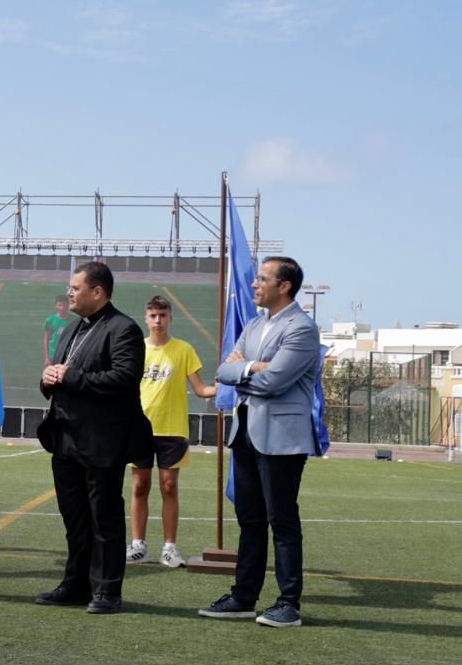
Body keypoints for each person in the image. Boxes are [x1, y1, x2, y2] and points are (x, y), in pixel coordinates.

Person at [200, 256, 322, 628]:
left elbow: (276, 383)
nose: (255, 284)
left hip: (282, 438)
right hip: (246, 432)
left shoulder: (302, 329)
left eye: (262, 279)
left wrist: (243, 369)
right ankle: (243, 596)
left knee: (281, 520)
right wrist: (252, 366)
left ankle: (289, 603)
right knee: (249, 519)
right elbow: (222, 371)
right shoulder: (254, 325)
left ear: (284, 286)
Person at [34, 261, 150, 614]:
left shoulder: (123, 329)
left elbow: (123, 380)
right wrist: (48, 377)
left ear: (97, 292)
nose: (69, 293)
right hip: (64, 438)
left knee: (105, 520)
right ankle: (75, 584)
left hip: (102, 442)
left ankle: (107, 591)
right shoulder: (70, 329)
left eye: (75, 288)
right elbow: (57, 374)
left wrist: (69, 378)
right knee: (75, 520)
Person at [128, 295, 216, 568]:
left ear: (170, 318)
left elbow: (201, 389)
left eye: (162, 315)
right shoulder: (135, 349)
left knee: (169, 486)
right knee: (140, 486)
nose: (158, 320)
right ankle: (139, 547)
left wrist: (223, 389)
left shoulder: (184, 349)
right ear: (146, 318)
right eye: (153, 315)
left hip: (173, 428)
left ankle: (170, 548)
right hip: (139, 428)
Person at [42, 294, 70, 367]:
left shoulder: (75, 320)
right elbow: (46, 340)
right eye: (60, 305)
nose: (62, 308)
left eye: (65, 305)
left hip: (69, 354)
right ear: (56, 306)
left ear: (68, 305)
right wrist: (47, 358)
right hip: (53, 355)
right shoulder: (50, 321)